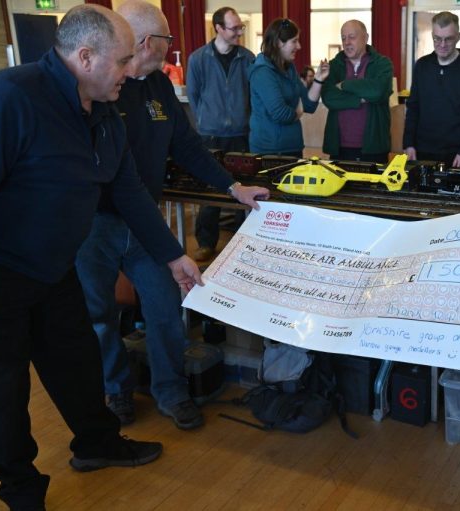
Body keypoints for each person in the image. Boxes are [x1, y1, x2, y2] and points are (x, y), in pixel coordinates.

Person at [0, 4, 204, 509]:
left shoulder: (104, 108)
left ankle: (97, 444)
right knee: (2, 391)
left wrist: (173, 256)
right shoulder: (9, 98)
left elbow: (128, 191)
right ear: (85, 57)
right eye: (123, 60)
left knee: (79, 363)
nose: (132, 69)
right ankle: (21, 489)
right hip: (1, 276)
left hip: (56, 268)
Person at [76, 0, 269, 430]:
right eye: (167, 37)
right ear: (149, 41)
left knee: (165, 306)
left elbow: (187, 147)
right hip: (95, 225)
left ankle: (171, 390)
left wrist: (232, 187)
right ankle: (116, 390)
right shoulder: (97, 88)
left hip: (145, 222)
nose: (171, 44)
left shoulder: (159, 86)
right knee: (98, 315)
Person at [187, 7, 255, 262]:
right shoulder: (198, 59)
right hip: (210, 136)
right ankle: (206, 242)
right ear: (218, 28)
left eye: (240, 27)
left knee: (243, 189)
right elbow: (194, 96)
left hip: (241, 134)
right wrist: (206, 121)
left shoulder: (248, 58)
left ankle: (241, 242)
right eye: (234, 28)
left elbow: (252, 95)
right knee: (211, 190)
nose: (239, 32)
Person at [402, 11, 460, 168]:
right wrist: (408, 143)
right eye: (437, 38)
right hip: (422, 150)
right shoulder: (422, 66)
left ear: (458, 37)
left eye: (448, 39)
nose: (442, 44)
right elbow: (413, 107)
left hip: (456, 154)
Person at [248, 18, 328, 157]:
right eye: (294, 41)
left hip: (293, 146)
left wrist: (318, 80)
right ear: (279, 42)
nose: (299, 46)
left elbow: (309, 105)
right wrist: (298, 112)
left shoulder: (289, 68)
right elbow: (281, 114)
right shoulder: (262, 72)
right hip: (270, 151)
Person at [322, 20, 393, 164]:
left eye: (352, 37)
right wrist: (360, 98)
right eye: (343, 38)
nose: (347, 42)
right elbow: (329, 98)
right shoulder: (334, 66)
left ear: (365, 38)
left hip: (374, 148)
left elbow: (378, 91)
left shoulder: (382, 63)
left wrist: (344, 85)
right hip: (339, 149)